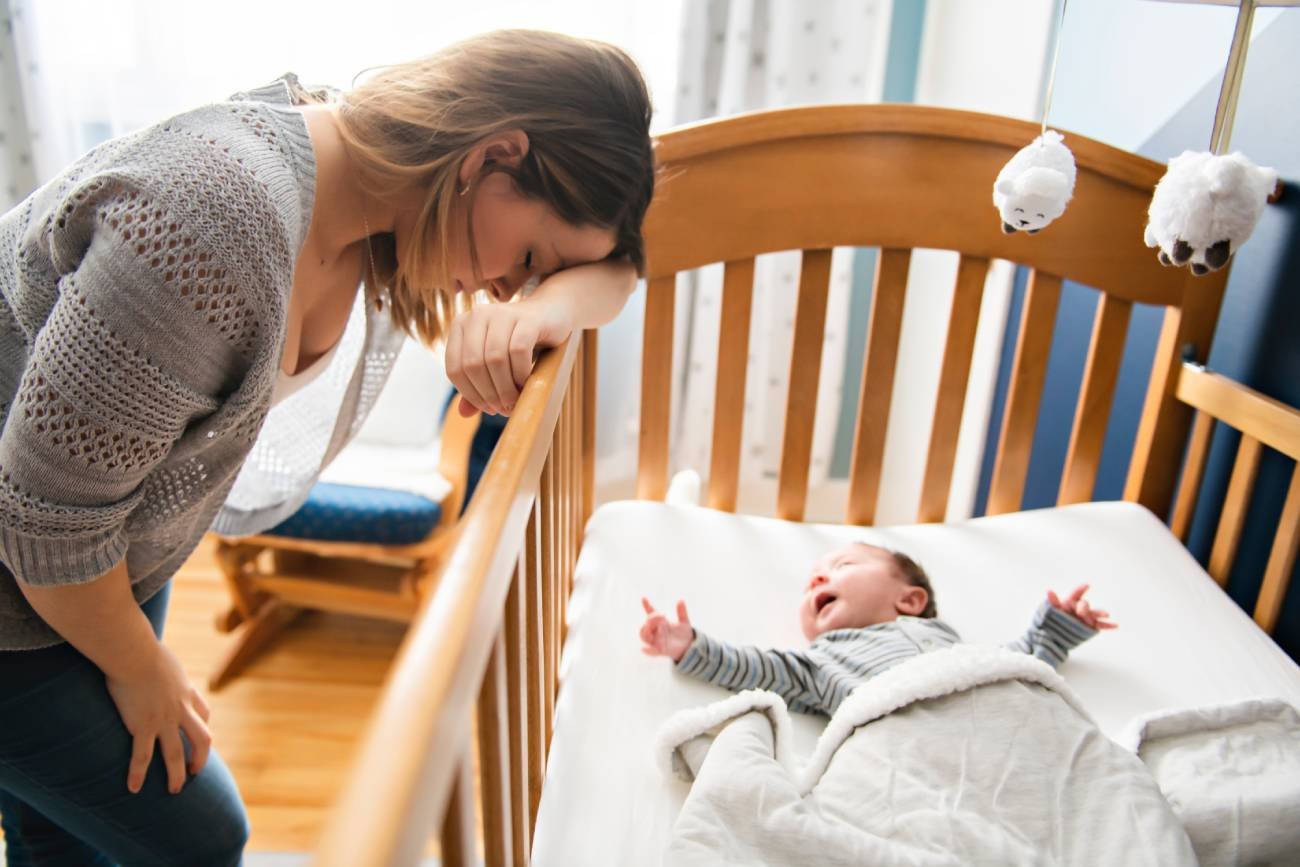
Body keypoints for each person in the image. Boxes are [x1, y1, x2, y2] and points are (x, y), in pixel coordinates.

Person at [0, 29, 654, 865]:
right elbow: (46, 523)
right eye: (526, 260)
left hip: (110, 558)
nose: (503, 288)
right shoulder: (215, 222)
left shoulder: (361, 194)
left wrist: (543, 309)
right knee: (198, 833)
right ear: (494, 155)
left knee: (58, 824)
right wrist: (143, 667)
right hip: (38, 571)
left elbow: (623, 268)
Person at [639, 541, 1114, 716]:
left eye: (841, 565)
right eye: (811, 583)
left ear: (909, 601)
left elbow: (1019, 661)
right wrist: (691, 646)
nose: (817, 579)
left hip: (995, 717)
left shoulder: (948, 642)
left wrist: (1059, 623)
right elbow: (755, 668)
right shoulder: (821, 662)